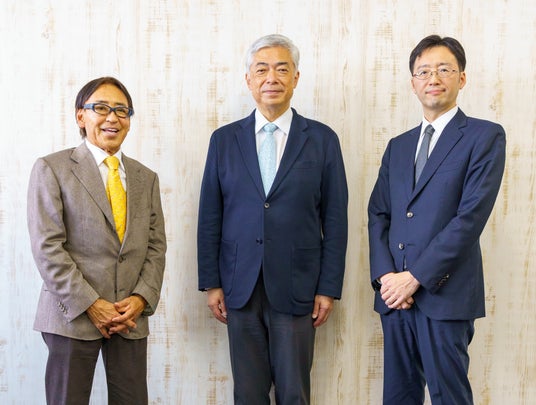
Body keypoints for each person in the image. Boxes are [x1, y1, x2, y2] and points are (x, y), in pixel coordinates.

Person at [197, 34, 348, 404]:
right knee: (248, 393)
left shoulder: (323, 139)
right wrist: (212, 283)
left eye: (282, 69)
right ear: (248, 79)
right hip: (239, 285)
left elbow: (335, 220)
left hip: (299, 285)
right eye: (262, 69)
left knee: (294, 391)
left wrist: (328, 287)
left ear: (296, 78)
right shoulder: (224, 140)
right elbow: (210, 216)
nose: (271, 78)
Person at [368, 35, 506, 404]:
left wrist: (414, 278)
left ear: (462, 78)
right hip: (395, 298)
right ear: (413, 83)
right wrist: (386, 279)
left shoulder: (484, 136)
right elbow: (378, 214)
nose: (434, 78)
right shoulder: (398, 146)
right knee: (398, 397)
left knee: (450, 397)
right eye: (424, 71)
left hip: (445, 294)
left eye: (444, 69)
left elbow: (469, 218)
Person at [27, 76, 167, 405]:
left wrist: (140, 299)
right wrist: (91, 304)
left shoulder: (146, 178)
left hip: (128, 317)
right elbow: (47, 248)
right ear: (81, 116)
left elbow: (156, 247)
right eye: (101, 108)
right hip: (71, 316)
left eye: (121, 110)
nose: (112, 117)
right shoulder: (52, 168)